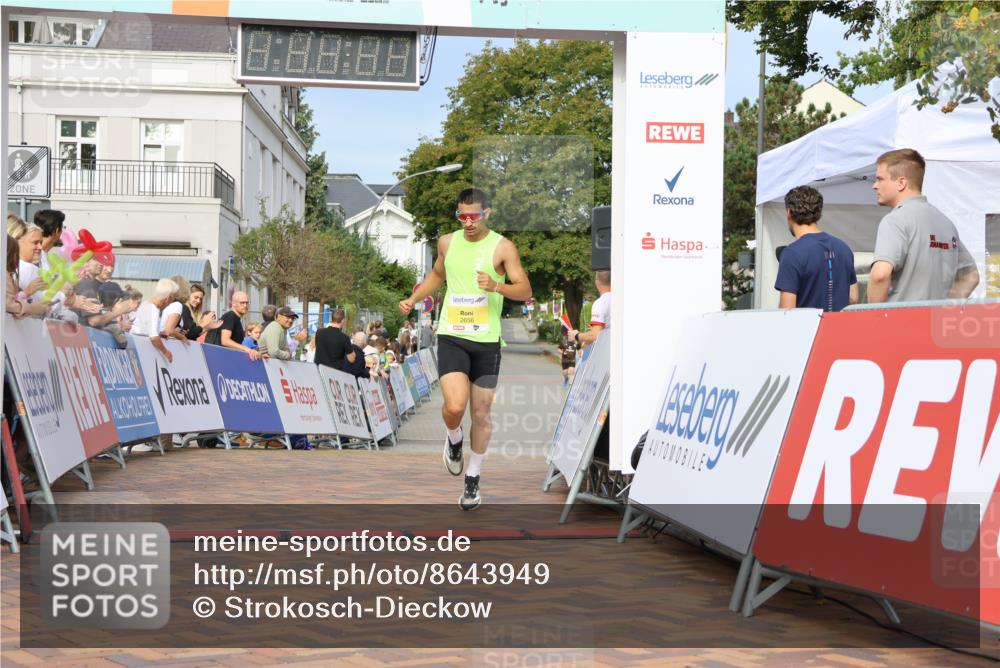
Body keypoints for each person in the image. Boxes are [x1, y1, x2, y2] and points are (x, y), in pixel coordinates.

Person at [400, 187, 532, 510]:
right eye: (462, 216)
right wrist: (414, 299)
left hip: (487, 341)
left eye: (474, 216)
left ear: (488, 213)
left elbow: (525, 289)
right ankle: (455, 439)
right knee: (455, 407)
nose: (468, 222)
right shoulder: (447, 242)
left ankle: (473, 479)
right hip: (453, 336)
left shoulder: (503, 248)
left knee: (482, 414)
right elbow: (436, 275)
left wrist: (496, 285)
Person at [869, 148, 979, 303]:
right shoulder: (946, 223)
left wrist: (874, 318)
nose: (875, 185)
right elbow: (971, 276)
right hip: (935, 324)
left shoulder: (895, 220)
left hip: (899, 323)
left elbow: (880, 275)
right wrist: (944, 308)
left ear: (901, 183)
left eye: (880, 179)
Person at [774, 186, 858, 311]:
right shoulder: (844, 248)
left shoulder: (792, 253)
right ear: (818, 213)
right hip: (840, 328)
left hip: (809, 329)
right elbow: (853, 298)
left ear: (789, 213)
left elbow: (787, 311)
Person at [130, 278, 178, 363]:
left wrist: (159, 332)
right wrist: (166, 352)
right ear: (168, 297)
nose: (171, 303)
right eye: (173, 299)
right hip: (139, 350)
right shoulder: (153, 309)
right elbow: (154, 337)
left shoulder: (146, 304)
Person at [205, 291, 261, 361]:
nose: (245, 305)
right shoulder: (230, 316)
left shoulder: (235, 318)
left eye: (247, 302)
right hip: (223, 360)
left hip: (228, 359)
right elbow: (225, 340)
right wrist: (246, 349)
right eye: (242, 303)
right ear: (233, 303)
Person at [5, 234, 51, 318]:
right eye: (16, 254)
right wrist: (35, 307)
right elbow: (10, 306)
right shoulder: (5, 276)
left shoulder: (8, 275)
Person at [569, 270, 610, 349]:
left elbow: (594, 335)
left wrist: (577, 335)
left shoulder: (601, 303)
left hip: (605, 353)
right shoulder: (620, 300)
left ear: (597, 282)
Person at [160, 276, 193, 346]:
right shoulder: (177, 305)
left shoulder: (166, 304)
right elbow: (169, 330)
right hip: (165, 343)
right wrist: (182, 337)